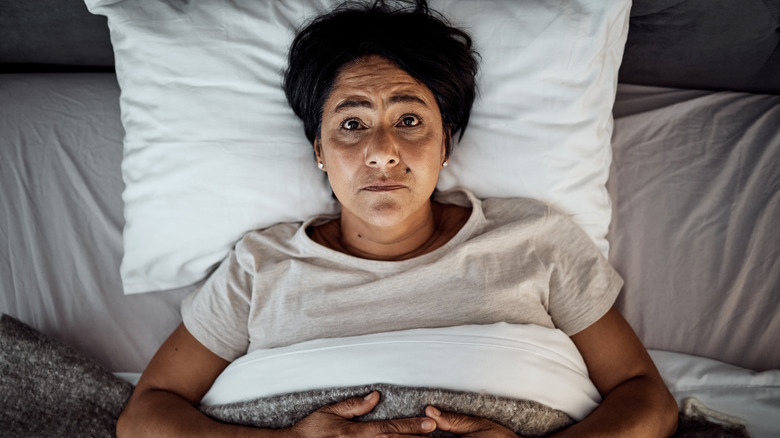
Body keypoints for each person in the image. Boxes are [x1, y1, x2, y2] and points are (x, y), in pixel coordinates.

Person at [116, 1, 679, 437]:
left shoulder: (536, 239)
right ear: (319, 149)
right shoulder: (262, 263)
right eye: (352, 125)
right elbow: (145, 415)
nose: (382, 151)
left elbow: (644, 395)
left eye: (409, 119)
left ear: (446, 145)